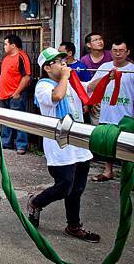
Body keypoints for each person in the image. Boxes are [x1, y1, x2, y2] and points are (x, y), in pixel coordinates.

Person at [28, 47, 99, 243]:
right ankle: (36, 202)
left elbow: (89, 87)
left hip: (80, 145)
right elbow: (56, 97)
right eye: (59, 62)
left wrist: (107, 77)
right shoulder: (43, 86)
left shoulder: (72, 82)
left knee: (77, 190)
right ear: (48, 68)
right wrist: (65, 77)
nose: (64, 64)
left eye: (63, 60)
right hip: (60, 147)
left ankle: (73, 226)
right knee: (64, 186)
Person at [86, 39, 134, 182]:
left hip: (127, 114)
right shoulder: (104, 67)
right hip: (107, 113)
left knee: (128, 146)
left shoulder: (132, 70)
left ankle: (129, 176)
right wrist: (105, 78)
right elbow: (89, 87)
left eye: (121, 51)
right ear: (111, 52)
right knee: (107, 143)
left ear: (127, 52)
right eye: (115, 51)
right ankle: (108, 171)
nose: (118, 54)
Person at [0, 34, 31, 154]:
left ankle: (21, 145)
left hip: (15, 95)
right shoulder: (6, 58)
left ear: (13, 45)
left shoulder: (21, 57)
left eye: (6, 44)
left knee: (18, 120)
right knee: (6, 119)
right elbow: (3, 75)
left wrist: (17, 92)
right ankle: (6, 142)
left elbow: (26, 77)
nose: (4, 46)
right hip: (4, 94)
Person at [80, 33, 112, 126]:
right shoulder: (84, 60)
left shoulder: (111, 55)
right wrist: (89, 101)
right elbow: (85, 84)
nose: (100, 41)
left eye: (100, 39)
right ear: (88, 45)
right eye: (96, 40)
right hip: (94, 97)